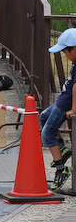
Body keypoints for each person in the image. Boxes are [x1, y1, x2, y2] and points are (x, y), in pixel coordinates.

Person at [41, 29, 76, 190]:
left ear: (74, 49)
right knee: (43, 117)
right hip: (62, 100)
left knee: (47, 134)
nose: (64, 55)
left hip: (66, 104)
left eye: (65, 51)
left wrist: (73, 109)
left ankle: (61, 169)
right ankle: (61, 147)